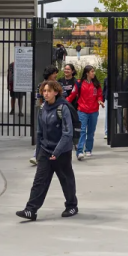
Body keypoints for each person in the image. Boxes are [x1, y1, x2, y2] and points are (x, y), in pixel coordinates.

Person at [16, 80, 78, 221]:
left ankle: (72, 206)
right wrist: (38, 153)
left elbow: (67, 133)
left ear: (56, 92)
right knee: (39, 181)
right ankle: (30, 210)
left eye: (49, 91)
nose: (46, 93)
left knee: (66, 180)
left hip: (61, 152)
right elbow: (39, 132)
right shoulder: (43, 107)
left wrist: (57, 152)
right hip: (45, 150)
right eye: (44, 91)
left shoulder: (63, 108)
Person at [67, 65, 104, 161]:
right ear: (87, 73)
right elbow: (72, 94)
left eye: (94, 71)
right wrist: (65, 102)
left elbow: (100, 95)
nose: (93, 73)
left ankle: (88, 149)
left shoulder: (96, 84)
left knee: (91, 131)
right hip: (82, 110)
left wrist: (100, 100)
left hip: (93, 111)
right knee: (82, 130)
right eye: (92, 71)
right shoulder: (79, 83)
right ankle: (79, 151)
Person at [31, 66, 60, 165]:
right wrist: (41, 109)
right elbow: (38, 99)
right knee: (41, 133)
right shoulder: (41, 85)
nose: (56, 75)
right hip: (44, 111)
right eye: (54, 73)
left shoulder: (57, 85)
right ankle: (36, 155)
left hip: (55, 112)